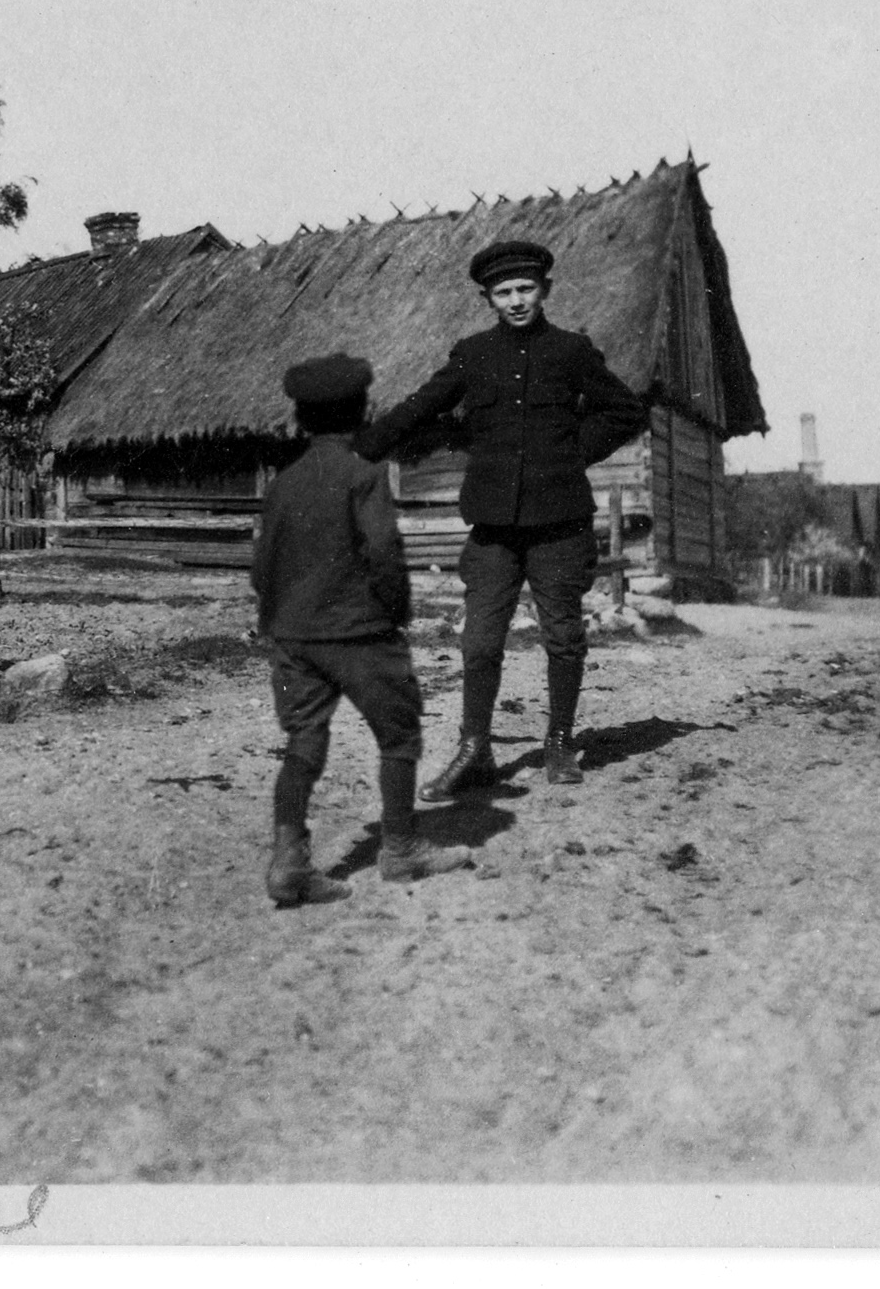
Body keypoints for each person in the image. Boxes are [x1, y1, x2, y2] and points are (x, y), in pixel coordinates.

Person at [356, 239, 649, 797]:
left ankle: (560, 741)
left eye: (525, 289)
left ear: (545, 291)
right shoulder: (473, 354)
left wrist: (567, 454)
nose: (516, 301)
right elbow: (421, 405)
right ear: (488, 298)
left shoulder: (571, 351)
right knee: (479, 643)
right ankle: (474, 749)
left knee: (562, 636)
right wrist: (362, 450)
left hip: (559, 524)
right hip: (493, 529)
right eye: (503, 292)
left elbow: (625, 411)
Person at [254, 353, 476, 908]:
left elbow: (262, 569)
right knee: (399, 737)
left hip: (294, 639)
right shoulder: (364, 474)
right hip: (359, 634)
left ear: (301, 419)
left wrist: (284, 624)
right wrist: (396, 613)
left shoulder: (282, 485)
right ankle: (400, 850)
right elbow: (382, 552)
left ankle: (289, 863)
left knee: (303, 744)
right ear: (363, 411)